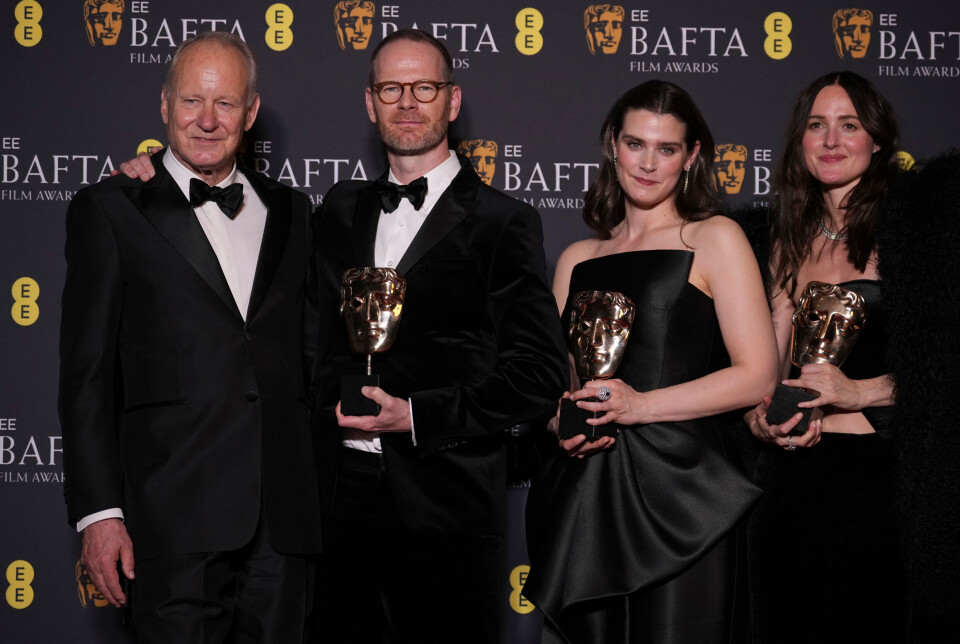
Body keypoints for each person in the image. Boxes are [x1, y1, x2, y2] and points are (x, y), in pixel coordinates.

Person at [59, 31, 321, 643]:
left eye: (225, 103)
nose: (206, 120)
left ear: (250, 113)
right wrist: (99, 514)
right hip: (170, 523)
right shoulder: (113, 207)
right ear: (164, 104)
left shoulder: (294, 212)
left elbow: (311, 355)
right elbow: (86, 377)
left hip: (283, 529)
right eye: (190, 101)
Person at [308, 28, 567, 643]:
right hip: (338, 502)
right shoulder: (337, 209)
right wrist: (153, 175)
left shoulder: (504, 222)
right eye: (390, 88)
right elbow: (305, 333)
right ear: (370, 102)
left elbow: (539, 375)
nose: (407, 102)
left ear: (452, 100)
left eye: (424, 87)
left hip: (446, 506)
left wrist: (418, 416)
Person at [523, 80, 777, 643]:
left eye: (666, 149)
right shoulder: (577, 258)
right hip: (585, 492)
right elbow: (560, 387)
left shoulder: (714, 238)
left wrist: (639, 406)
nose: (647, 163)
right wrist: (562, 424)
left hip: (683, 498)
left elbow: (758, 374)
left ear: (691, 157)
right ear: (612, 144)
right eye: (635, 144)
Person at [742, 70, 960, 643]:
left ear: (878, 140)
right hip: (787, 482)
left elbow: (942, 365)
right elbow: (770, 370)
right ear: (800, 141)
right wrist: (760, 417)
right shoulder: (784, 242)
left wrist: (857, 391)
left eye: (849, 125)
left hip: (877, 483)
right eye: (817, 125)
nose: (832, 140)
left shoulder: (918, 234)